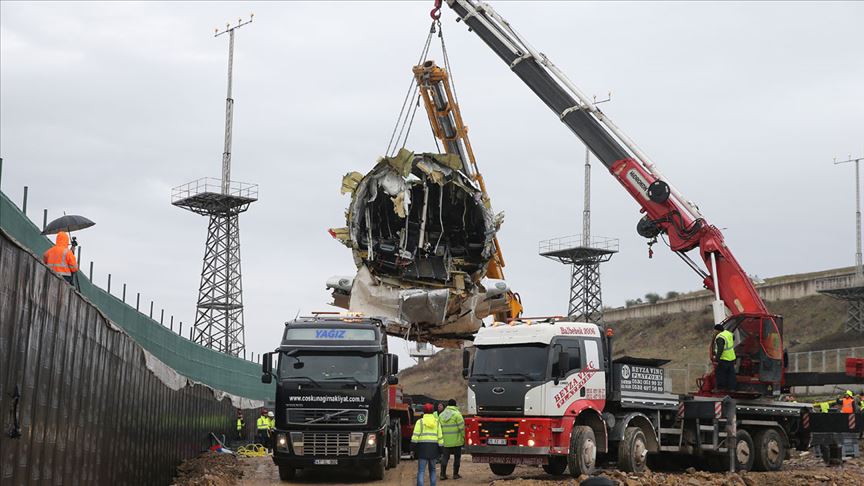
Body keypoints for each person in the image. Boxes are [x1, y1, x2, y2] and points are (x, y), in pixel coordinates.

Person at [412, 402, 444, 486]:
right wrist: (441, 450)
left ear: (424, 411)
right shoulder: (437, 422)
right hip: (434, 450)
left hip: (422, 449)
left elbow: (415, 437)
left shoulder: (420, 422)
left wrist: (412, 448)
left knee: (421, 471)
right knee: (433, 470)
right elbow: (440, 438)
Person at [439, 399, 465, 480]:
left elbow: (438, 428)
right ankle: (455, 474)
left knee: (445, 458)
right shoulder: (457, 415)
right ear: (455, 405)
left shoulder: (441, 415)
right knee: (457, 458)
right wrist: (464, 438)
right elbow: (462, 428)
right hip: (457, 442)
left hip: (445, 441)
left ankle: (442, 474)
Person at [713, 324, 736, 392]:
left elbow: (720, 349)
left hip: (724, 358)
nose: (714, 331)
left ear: (718, 330)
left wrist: (717, 359)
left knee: (720, 373)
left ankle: (720, 388)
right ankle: (732, 388)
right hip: (731, 357)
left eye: (715, 330)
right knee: (731, 374)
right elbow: (733, 337)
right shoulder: (728, 333)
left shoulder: (720, 337)